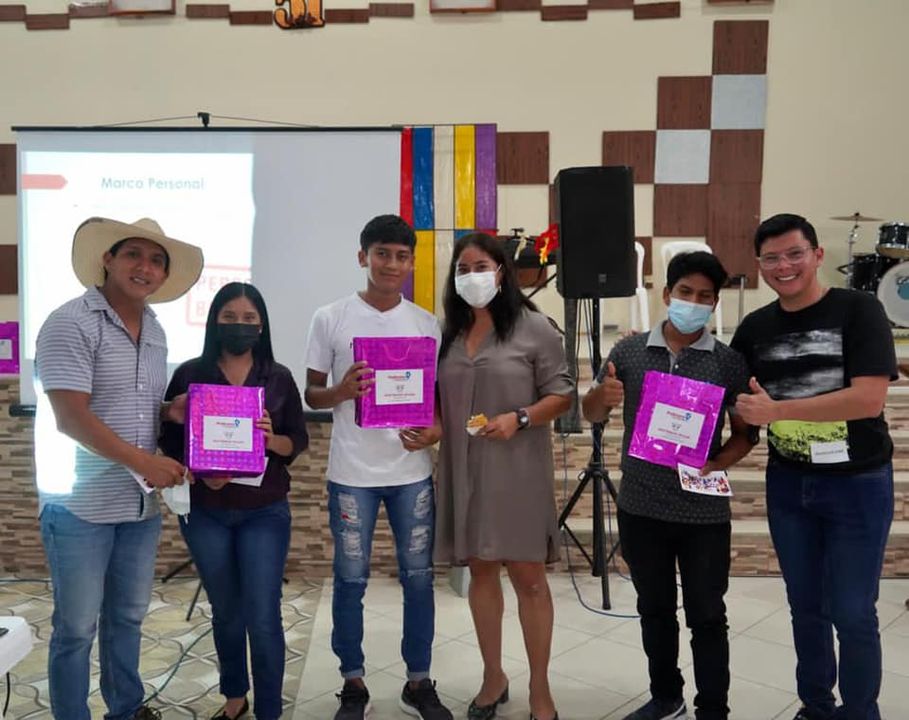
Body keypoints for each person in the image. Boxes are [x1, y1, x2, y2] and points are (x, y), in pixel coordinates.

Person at [34, 217, 203, 720]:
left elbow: (130, 406)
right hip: (79, 507)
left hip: (137, 506)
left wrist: (167, 412)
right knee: (76, 628)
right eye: (133, 254)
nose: (144, 267)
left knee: (127, 618)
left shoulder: (156, 330)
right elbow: (71, 417)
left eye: (156, 260)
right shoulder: (70, 322)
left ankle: (125, 709)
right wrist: (146, 462)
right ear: (107, 259)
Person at [731, 214, 896, 720]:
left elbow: (868, 399)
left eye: (794, 254)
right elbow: (730, 393)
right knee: (806, 607)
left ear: (818, 255)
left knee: (853, 611)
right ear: (759, 265)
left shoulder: (859, 309)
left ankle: (861, 712)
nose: (784, 266)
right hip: (790, 484)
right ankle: (817, 707)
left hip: (857, 484)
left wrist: (777, 410)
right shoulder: (755, 328)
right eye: (771, 258)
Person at [582, 251, 755, 720]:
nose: (693, 303)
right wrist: (601, 396)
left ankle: (713, 708)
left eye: (704, 297)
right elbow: (592, 412)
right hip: (641, 507)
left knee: (707, 615)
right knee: (655, 610)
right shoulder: (629, 352)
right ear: (666, 294)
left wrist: (715, 464)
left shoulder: (728, 363)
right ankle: (666, 697)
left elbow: (745, 435)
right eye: (685, 292)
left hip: (703, 514)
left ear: (714, 303)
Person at [304, 214, 452, 720]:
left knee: (419, 578)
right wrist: (341, 391)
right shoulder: (330, 317)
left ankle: (419, 681)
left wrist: (435, 429)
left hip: (411, 473)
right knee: (350, 580)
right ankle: (353, 682)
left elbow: (435, 397)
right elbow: (312, 393)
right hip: (352, 475)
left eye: (401, 256)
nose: (391, 264)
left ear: (411, 263)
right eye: (382, 253)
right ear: (362, 256)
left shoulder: (425, 323)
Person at [434, 232, 573, 720]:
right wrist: (428, 426)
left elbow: (562, 395)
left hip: (518, 472)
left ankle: (540, 688)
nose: (472, 276)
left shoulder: (536, 328)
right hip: (464, 470)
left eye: (481, 267)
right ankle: (493, 677)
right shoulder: (447, 333)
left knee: (529, 579)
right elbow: (439, 401)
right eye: (463, 268)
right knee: (481, 571)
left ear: (501, 272)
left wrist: (521, 417)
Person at [159, 282, 309, 720]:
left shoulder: (278, 377)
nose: (239, 325)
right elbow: (169, 440)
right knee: (226, 611)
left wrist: (270, 439)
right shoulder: (190, 375)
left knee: (263, 615)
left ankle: (270, 711)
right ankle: (234, 699)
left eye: (248, 318)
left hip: (265, 511)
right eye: (229, 317)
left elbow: (297, 441)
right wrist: (201, 470)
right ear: (214, 322)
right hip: (206, 512)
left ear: (261, 326)